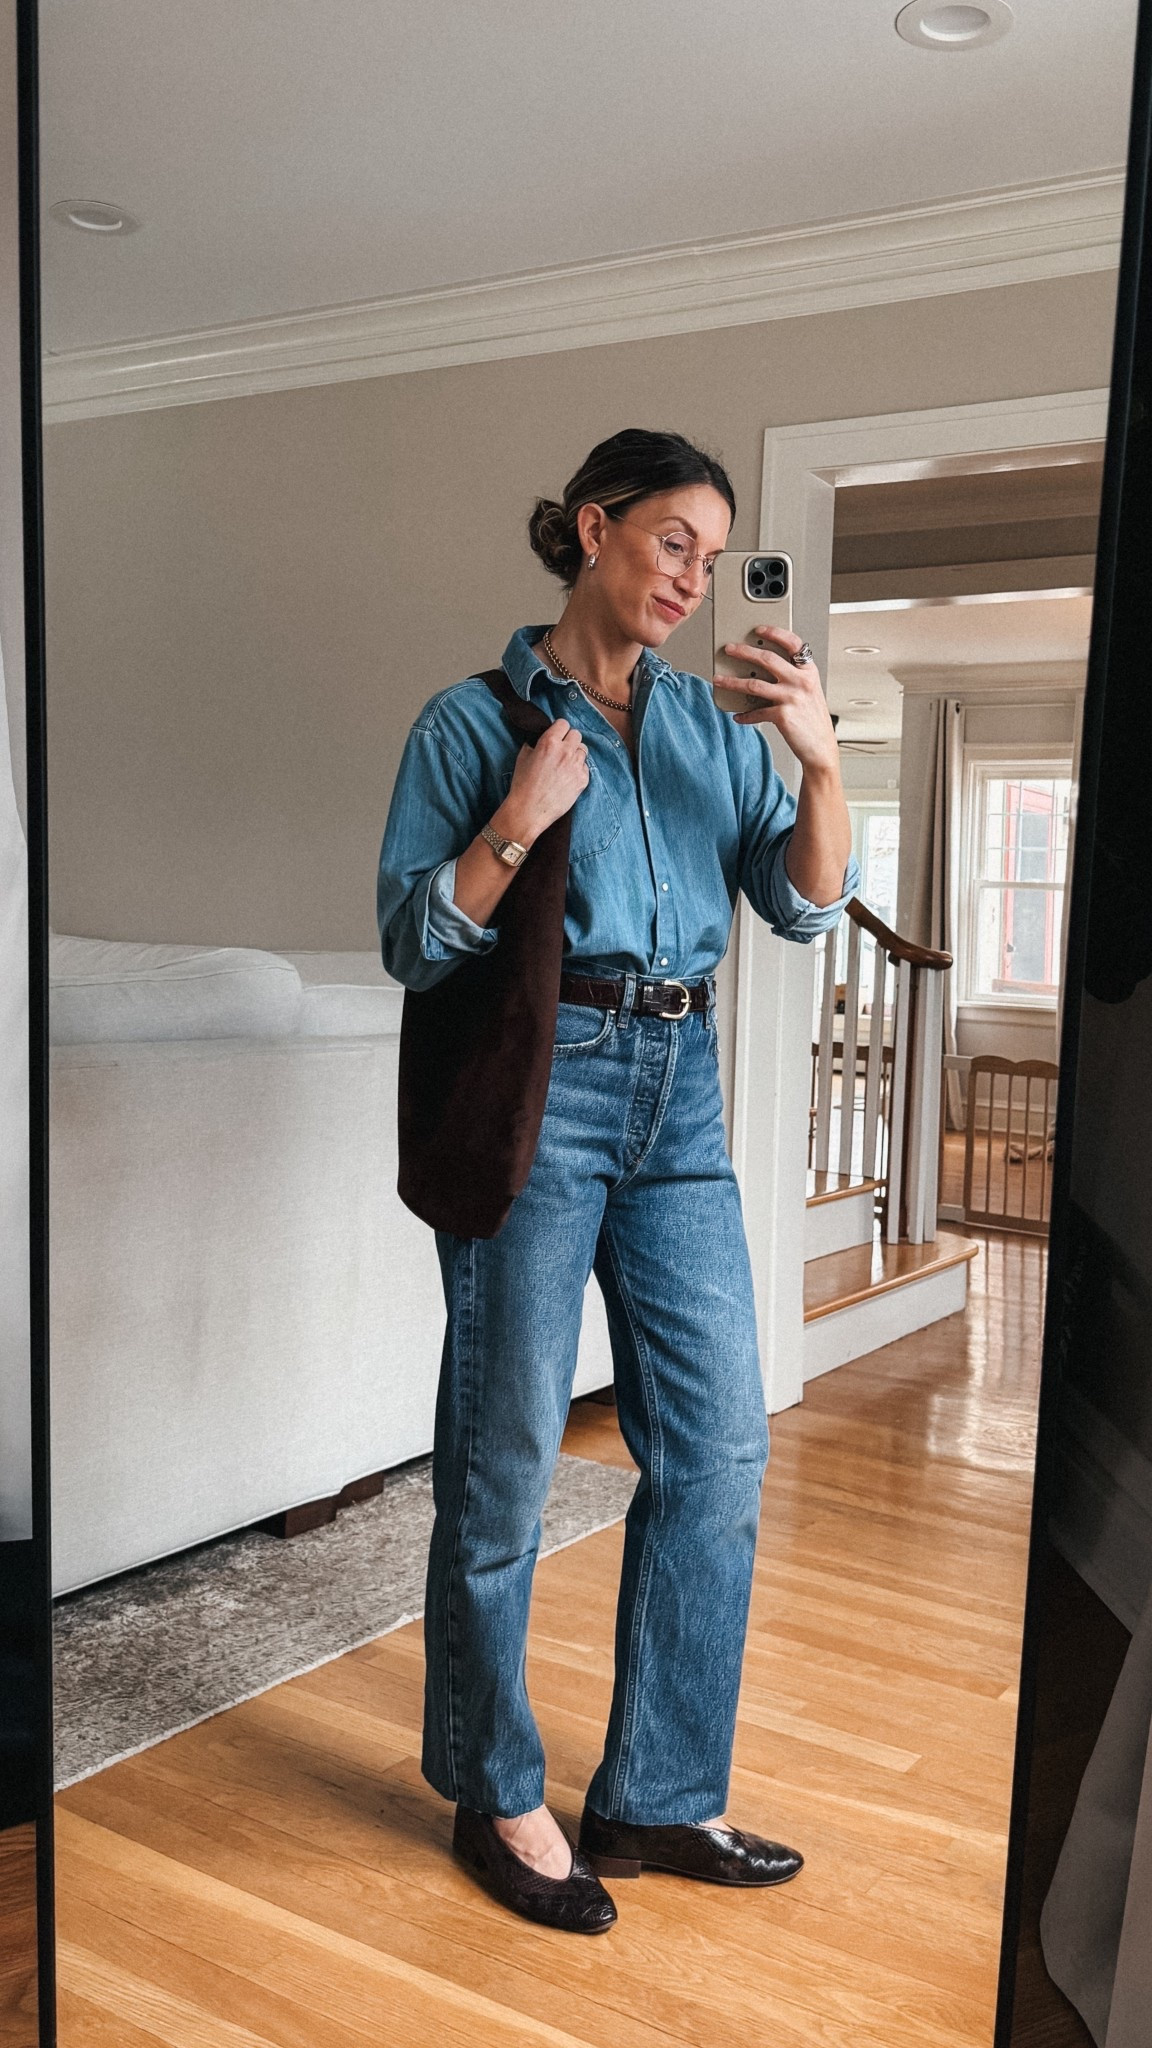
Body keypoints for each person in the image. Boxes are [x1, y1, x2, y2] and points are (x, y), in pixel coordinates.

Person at [377, 427, 860, 1934]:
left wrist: (821, 758)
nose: (693, 581)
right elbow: (412, 938)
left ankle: (656, 1794)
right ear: (594, 529)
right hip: (545, 1083)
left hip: (682, 1099)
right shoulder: (469, 723)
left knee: (718, 1451)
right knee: (507, 1458)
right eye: (673, 545)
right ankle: (497, 1789)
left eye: (714, 563)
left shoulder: (714, 733)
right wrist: (521, 817)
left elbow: (805, 903)